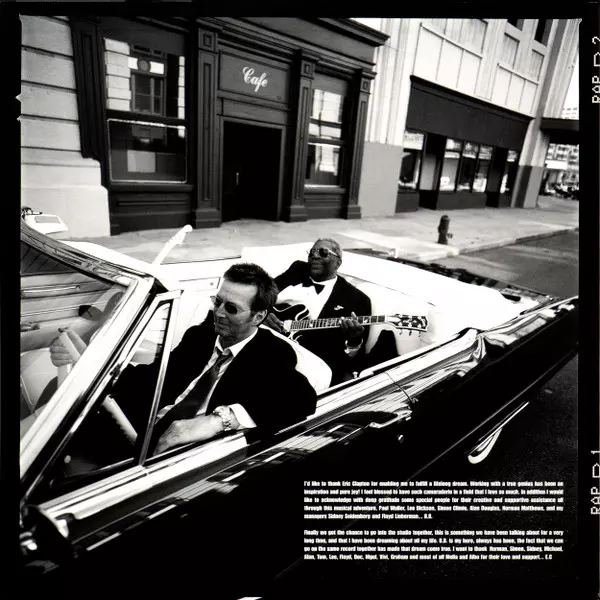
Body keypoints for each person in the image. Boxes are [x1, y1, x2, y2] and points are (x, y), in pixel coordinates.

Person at [51, 263, 317, 455]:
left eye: (231, 308)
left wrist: (218, 420)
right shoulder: (201, 336)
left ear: (258, 317)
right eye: (217, 301)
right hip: (136, 430)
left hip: (180, 456)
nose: (219, 313)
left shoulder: (272, 352)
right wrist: (92, 359)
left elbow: (303, 399)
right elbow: (153, 377)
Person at [264, 238, 372, 385]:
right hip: (265, 341)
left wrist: (354, 339)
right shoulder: (297, 269)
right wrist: (263, 312)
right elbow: (261, 293)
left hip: (306, 366)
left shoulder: (357, 299)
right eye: (312, 252)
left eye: (323, 252)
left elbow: (354, 358)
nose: (315, 256)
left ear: (338, 262)